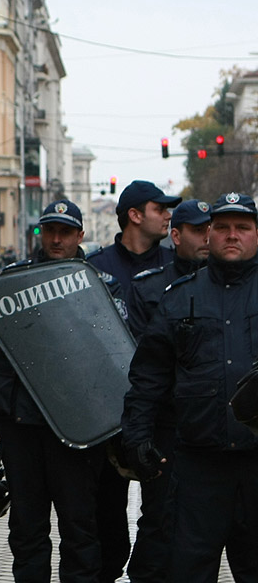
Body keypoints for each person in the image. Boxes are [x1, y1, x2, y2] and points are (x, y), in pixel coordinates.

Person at [0, 200, 121, 583]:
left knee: (79, 528)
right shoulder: (12, 281)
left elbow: (113, 359)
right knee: (27, 531)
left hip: (76, 430)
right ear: (39, 233)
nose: (56, 239)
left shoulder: (96, 284)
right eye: (49, 230)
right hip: (20, 425)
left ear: (80, 236)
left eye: (66, 232)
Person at [122, 192, 258, 583]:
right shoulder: (179, 298)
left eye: (243, 228)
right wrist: (137, 437)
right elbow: (149, 376)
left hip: (256, 462)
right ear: (209, 235)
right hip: (199, 470)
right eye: (222, 228)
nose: (232, 235)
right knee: (188, 571)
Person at [87, 179, 181, 583]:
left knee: (162, 513)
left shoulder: (175, 267)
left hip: (161, 413)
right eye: (159, 208)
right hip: (105, 416)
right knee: (105, 515)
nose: (167, 214)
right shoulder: (93, 268)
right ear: (135, 215)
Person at [122, 199, 218, 583]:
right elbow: (141, 368)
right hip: (167, 428)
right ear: (175, 236)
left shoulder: (235, 286)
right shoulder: (150, 289)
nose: (209, 237)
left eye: (211, 227)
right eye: (197, 230)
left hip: (216, 427)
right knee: (161, 522)